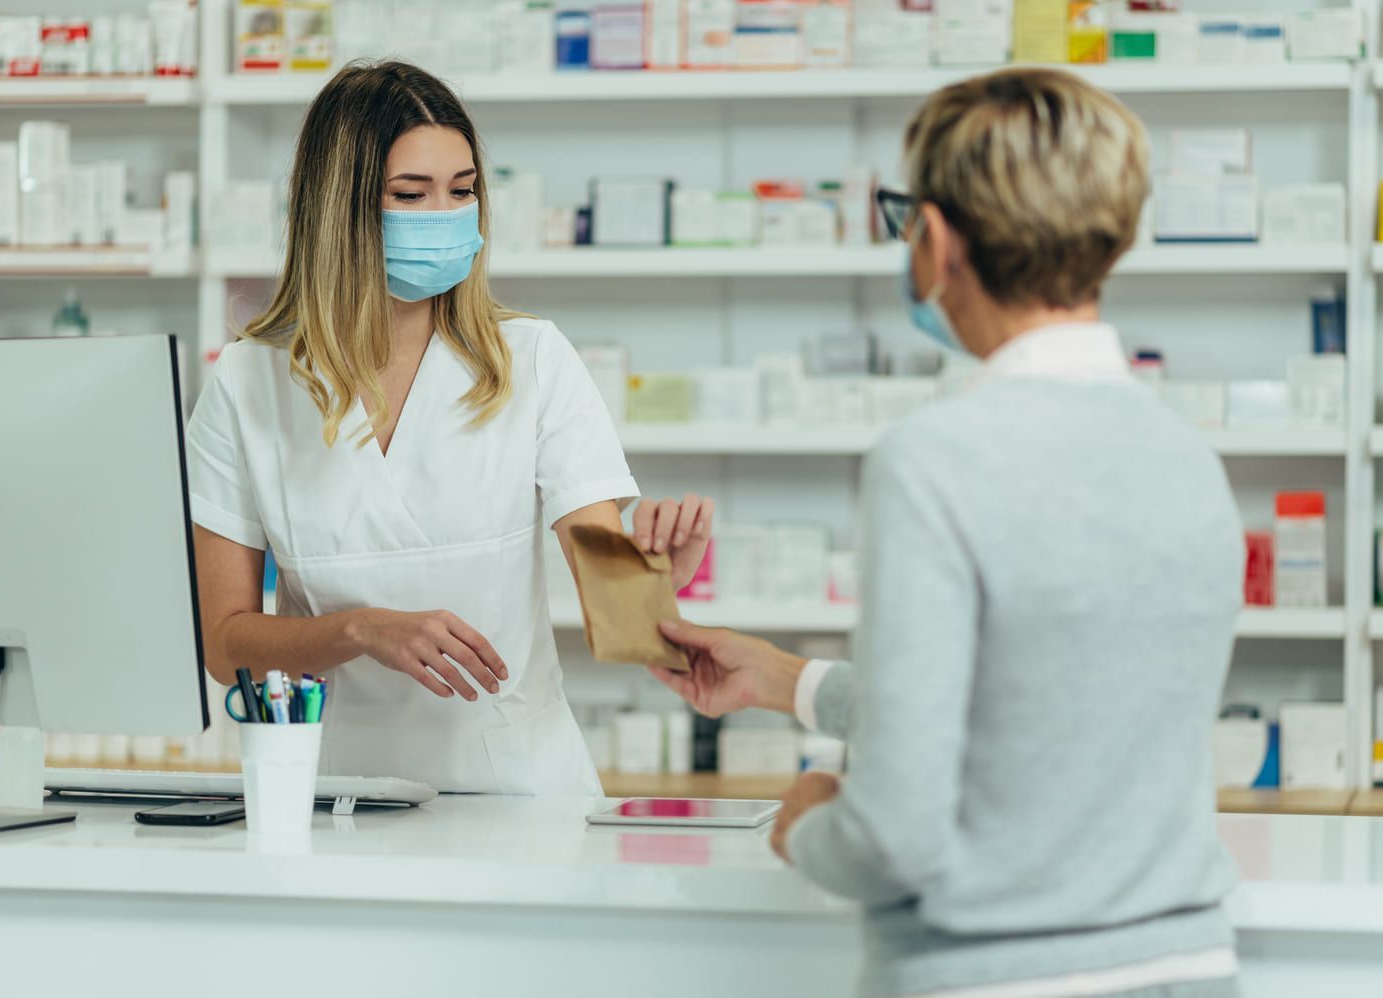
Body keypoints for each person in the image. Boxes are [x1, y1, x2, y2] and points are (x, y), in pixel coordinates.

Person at [652, 68, 1244, 997]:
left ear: (935, 239)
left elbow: (894, 839)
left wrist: (808, 823)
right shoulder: (1187, 457)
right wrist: (790, 682)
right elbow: (1048, 707)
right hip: (1190, 969)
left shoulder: (932, 461)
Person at [186, 61, 712, 796]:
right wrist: (358, 629)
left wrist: (659, 577)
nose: (445, 215)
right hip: (338, 792)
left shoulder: (531, 361)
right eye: (411, 194)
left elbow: (619, 614)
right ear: (339, 209)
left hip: (522, 791)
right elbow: (225, 643)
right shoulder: (248, 386)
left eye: (462, 191)